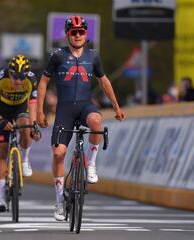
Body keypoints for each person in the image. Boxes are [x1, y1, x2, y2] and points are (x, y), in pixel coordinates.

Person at [36, 15, 125, 221]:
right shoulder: (57, 55)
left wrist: (116, 106)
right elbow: (42, 83)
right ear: (67, 35)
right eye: (73, 32)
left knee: (96, 122)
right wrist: (40, 112)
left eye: (81, 32)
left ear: (86, 34)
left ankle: (92, 163)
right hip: (65, 110)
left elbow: (104, 82)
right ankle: (59, 202)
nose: (77, 35)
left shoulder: (93, 56)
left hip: (85, 106)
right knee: (58, 154)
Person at [0, 54, 41, 212]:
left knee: (26, 126)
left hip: (20, 107)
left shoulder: (31, 80)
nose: (18, 81)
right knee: (2, 151)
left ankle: (24, 160)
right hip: (1, 110)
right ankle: (1, 197)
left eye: (21, 77)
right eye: (15, 77)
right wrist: (0, 121)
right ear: (9, 72)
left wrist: (34, 125)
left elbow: (32, 105)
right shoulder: (0, 78)